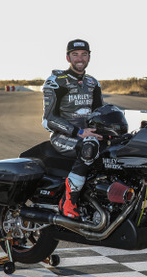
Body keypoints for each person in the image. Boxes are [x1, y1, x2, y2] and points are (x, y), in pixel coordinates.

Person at [42, 39, 104, 219]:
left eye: (84, 54)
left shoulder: (93, 83)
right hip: (63, 137)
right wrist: (79, 132)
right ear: (68, 57)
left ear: (89, 57)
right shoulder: (56, 81)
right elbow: (49, 119)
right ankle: (69, 200)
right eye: (75, 54)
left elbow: (99, 111)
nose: (80, 58)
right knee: (89, 148)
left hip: (88, 135)